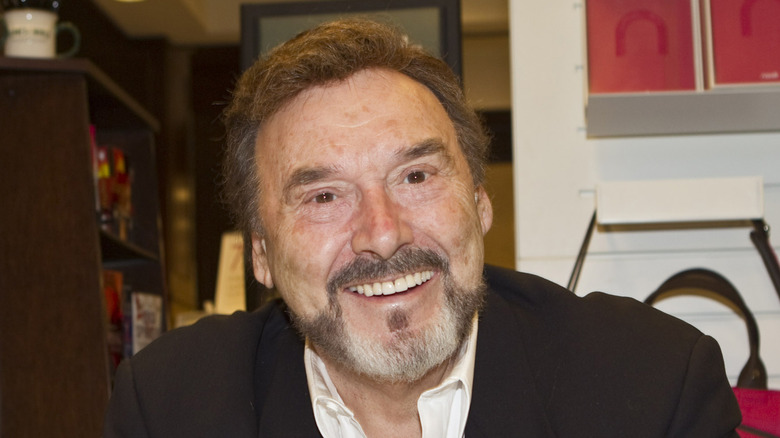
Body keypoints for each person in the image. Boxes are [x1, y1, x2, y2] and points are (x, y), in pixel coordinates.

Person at [103, 18, 741, 437]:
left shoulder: (651, 387)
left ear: (480, 201)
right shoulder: (168, 409)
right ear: (261, 254)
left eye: (415, 177)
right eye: (324, 196)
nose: (382, 234)